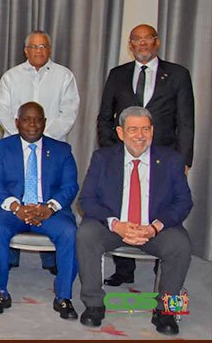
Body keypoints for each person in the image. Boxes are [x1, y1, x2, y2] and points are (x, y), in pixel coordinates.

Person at [77, 106, 192, 336]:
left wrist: (155, 227)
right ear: (120, 133)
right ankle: (94, 304)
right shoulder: (103, 158)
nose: (140, 135)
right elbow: (87, 200)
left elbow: (184, 201)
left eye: (145, 129)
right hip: (114, 227)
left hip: (154, 227)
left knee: (181, 244)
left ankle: (167, 311)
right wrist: (115, 224)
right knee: (86, 234)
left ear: (153, 131)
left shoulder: (171, 160)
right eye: (133, 130)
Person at [95, 24, 194, 287]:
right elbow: (105, 116)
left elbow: (186, 121)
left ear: (156, 42)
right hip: (124, 156)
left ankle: (165, 282)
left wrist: (184, 160)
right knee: (123, 205)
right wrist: (111, 154)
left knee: (164, 217)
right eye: (137, 40)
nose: (142, 44)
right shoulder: (118, 74)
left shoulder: (178, 74)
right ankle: (124, 270)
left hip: (164, 159)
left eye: (147, 38)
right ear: (130, 45)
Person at [0, 30, 79, 273]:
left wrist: (42, 139)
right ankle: (10, 257)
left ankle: (50, 259)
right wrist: (24, 137)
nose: (38, 51)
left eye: (43, 47)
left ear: (49, 49)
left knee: (46, 196)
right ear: (26, 50)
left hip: (52, 150)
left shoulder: (64, 76)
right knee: (14, 197)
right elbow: (3, 110)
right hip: (17, 148)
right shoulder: (11, 76)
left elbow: (69, 111)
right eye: (34, 46)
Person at [0, 102, 79, 320]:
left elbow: (70, 186)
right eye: (27, 120)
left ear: (44, 123)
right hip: (13, 210)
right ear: (17, 123)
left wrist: (49, 208)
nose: (33, 125)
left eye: (38, 120)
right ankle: (0, 292)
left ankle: (64, 296)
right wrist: (16, 207)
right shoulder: (2, 148)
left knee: (70, 232)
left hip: (48, 211)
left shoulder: (62, 150)